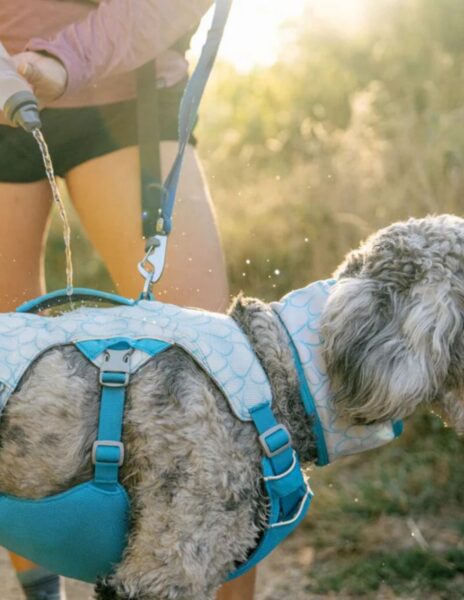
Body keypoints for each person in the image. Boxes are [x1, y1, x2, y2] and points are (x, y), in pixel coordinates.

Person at [0, 1, 256, 599]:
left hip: (128, 95)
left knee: (218, 385)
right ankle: (42, 589)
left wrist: (66, 60)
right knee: (4, 384)